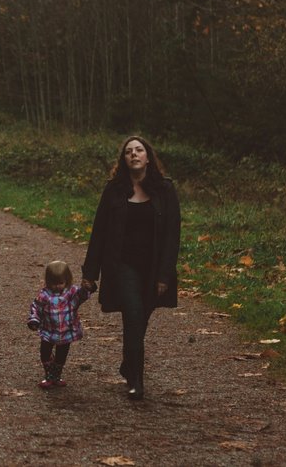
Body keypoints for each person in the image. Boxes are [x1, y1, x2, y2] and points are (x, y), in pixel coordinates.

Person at [81, 135, 181, 400]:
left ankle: (128, 363)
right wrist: (89, 273)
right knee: (134, 313)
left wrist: (164, 275)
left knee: (140, 318)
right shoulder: (113, 190)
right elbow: (99, 232)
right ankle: (137, 379)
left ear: (148, 157)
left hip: (153, 266)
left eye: (139, 150)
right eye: (129, 151)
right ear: (123, 159)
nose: (134, 154)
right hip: (121, 265)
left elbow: (172, 236)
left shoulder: (165, 190)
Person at [27, 260, 94, 389]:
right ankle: (48, 375)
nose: (57, 286)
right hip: (48, 330)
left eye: (60, 283)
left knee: (61, 356)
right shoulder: (44, 295)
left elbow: (82, 296)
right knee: (45, 353)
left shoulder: (72, 292)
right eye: (53, 283)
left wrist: (86, 288)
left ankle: (56, 376)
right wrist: (34, 320)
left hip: (66, 331)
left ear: (67, 280)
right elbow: (36, 307)